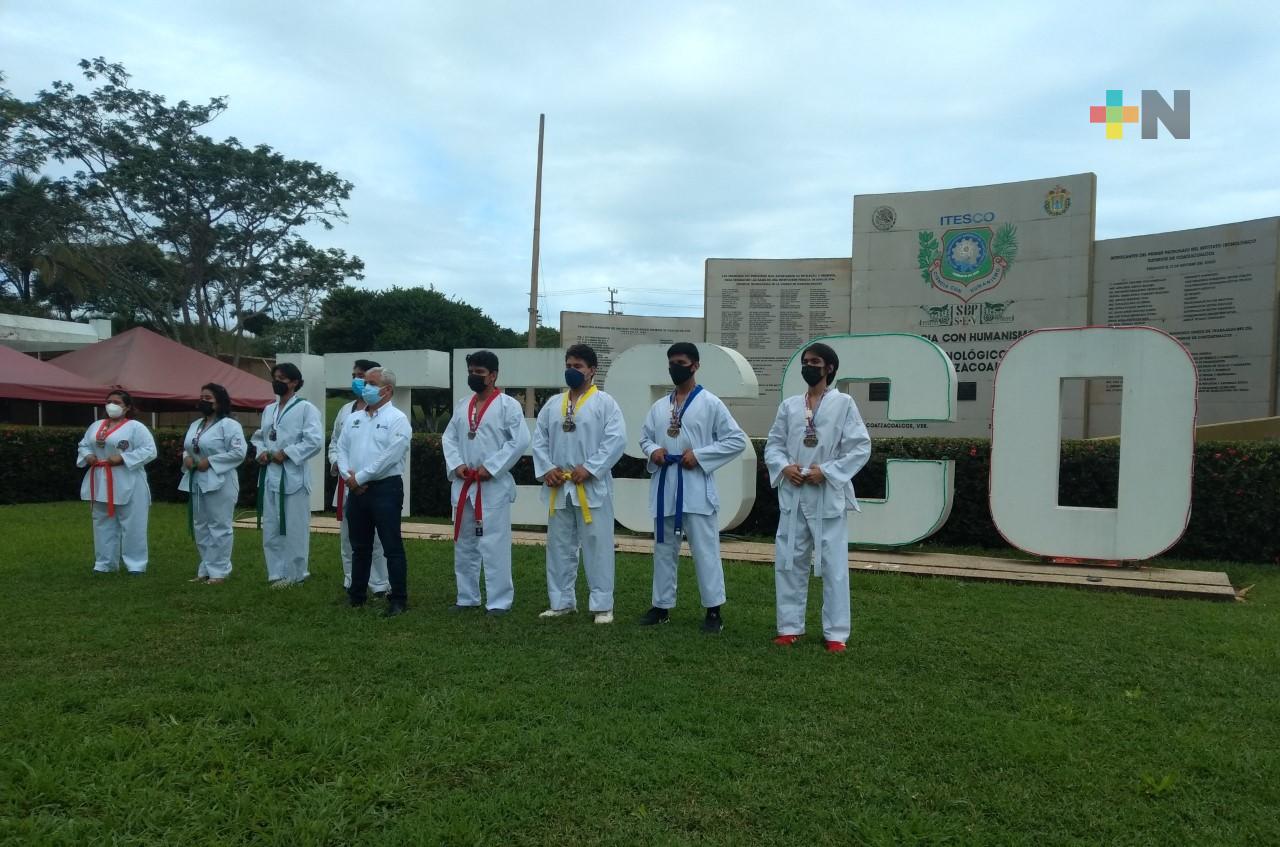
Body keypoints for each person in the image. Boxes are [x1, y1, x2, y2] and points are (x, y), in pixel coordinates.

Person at [764, 342, 871, 653]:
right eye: (805, 361)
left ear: (830, 368)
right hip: (795, 492)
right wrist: (785, 467)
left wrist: (828, 471)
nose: (808, 366)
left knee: (834, 564)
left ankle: (836, 633)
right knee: (788, 560)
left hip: (826, 494)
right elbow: (773, 445)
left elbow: (860, 447)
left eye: (815, 361)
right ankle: (789, 627)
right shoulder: (789, 406)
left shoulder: (844, 404)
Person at [637, 343, 748, 633]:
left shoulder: (710, 403)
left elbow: (735, 440)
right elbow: (644, 437)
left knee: (705, 550)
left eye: (681, 362)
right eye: (671, 362)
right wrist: (653, 451)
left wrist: (700, 455)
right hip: (665, 486)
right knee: (663, 549)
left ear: (695, 365)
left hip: (696, 487)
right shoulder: (660, 406)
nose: (676, 367)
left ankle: (713, 611)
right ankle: (661, 607)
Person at [532, 343, 626, 624]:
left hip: (591, 486)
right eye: (569, 366)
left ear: (592, 370)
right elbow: (539, 439)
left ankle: (602, 606)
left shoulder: (605, 403)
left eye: (578, 367)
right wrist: (547, 469)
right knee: (559, 545)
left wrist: (592, 467)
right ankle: (561, 602)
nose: (572, 371)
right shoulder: (553, 404)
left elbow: (616, 440)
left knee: (597, 545)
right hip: (560, 486)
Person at [442, 350, 531, 616]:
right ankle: (466, 597)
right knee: (464, 542)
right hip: (464, 483)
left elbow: (520, 441)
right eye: (471, 372)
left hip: (492, 486)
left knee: (494, 543)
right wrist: (457, 465)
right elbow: (449, 438)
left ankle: (499, 601)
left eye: (479, 373)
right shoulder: (462, 405)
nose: (474, 377)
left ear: (493, 375)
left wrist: (491, 468)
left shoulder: (508, 405)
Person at [336, 366, 412, 617]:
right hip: (356, 489)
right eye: (363, 381)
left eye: (370, 382)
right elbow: (341, 448)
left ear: (387, 390)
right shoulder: (354, 417)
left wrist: (361, 477)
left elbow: (390, 456)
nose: (364, 386)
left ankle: (398, 598)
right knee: (360, 546)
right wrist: (349, 476)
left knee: (391, 546)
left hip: (384, 489)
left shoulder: (398, 419)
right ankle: (356, 595)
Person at [250, 362, 324, 587]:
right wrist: (261, 452)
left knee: (294, 527)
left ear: (294, 382)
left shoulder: (306, 408)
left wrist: (288, 453)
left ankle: (296, 574)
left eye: (282, 378)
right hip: (270, 474)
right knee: (271, 526)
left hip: (293, 477)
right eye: (275, 377)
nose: (277, 382)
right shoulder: (269, 409)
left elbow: (314, 441)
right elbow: (260, 437)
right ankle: (276, 572)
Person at [76, 390, 158, 575]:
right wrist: (88, 455)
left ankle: (136, 564)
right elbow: (84, 444)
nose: (111, 405)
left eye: (117, 402)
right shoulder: (97, 425)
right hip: (100, 478)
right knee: (102, 521)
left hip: (129, 479)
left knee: (133, 523)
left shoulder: (135, 427)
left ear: (127, 407)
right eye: (109, 401)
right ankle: (104, 563)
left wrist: (123, 458)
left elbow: (149, 450)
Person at [329, 358, 390, 597]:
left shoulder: (387, 414)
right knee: (348, 537)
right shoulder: (346, 411)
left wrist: (363, 476)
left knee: (375, 539)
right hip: (347, 482)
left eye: (362, 376)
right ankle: (351, 579)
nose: (358, 380)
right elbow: (336, 443)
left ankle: (380, 583)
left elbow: (386, 451)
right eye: (354, 375)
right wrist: (340, 467)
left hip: (372, 483)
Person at [179, 383, 247, 584]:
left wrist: (210, 461)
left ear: (219, 402)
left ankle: (219, 571)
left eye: (208, 398)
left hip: (221, 480)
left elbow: (238, 452)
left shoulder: (230, 425)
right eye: (201, 397)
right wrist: (187, 459)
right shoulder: (196, 425)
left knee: (219, 525)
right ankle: (205, 568)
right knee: (200, 525)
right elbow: (189, 447)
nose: (203, 401)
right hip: (197, 479)